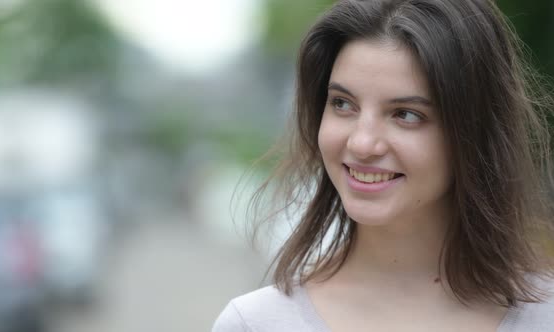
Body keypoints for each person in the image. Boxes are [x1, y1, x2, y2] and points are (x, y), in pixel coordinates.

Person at [213, 0, 554, 331]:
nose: (362, 143)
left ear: (474, 132)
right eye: (343, 104)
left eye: (406, 114)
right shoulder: (256, 324)